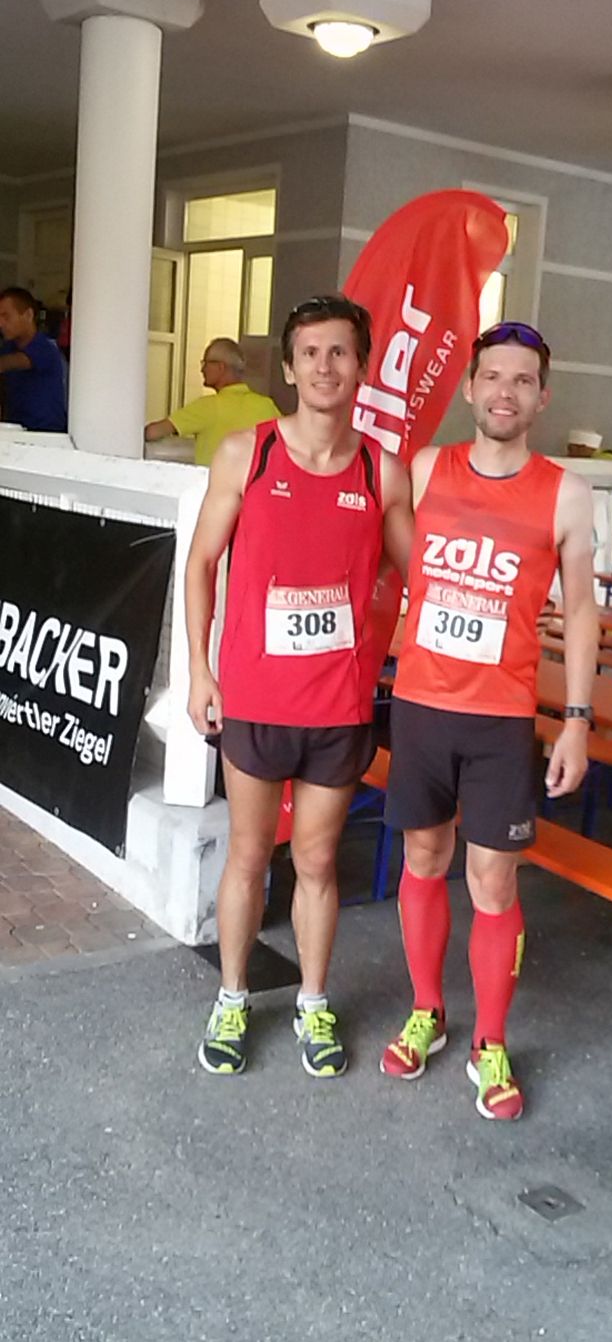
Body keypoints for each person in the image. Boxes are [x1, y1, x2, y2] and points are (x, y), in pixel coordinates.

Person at [185, 295, 413, 1078]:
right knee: (249, 855)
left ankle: (314, 1001)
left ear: (362, 367)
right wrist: (200, 670)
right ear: (288, 367)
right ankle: (233, 997)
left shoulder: (382, 470)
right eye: (310, 353)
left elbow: (421, 574)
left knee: (316, 862)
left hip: (338, 705)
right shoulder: (246, 454)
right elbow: (201, 563)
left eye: (340, 352)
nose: (324, 366)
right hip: (254, 699)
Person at [380, 320, 598, 1121]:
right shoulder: (427, 469)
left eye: (522, 380)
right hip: (421, 706)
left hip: (501, 717)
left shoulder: (566, 492)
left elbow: (582, 610)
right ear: (470, 388)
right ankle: (428, 1011)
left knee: (493, 879)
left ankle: (491, 1042)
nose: (506, 392)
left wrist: (577, 719)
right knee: (423, 856)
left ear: (542, 398)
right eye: (493, 377)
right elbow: (389, 555)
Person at [144, 337, 281, 466]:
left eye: (206, 363)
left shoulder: (208, 406)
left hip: (214, 482)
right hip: (255, 483)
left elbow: (152, 432)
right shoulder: (266, 406)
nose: (202, 369)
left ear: (221, 367)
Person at [0, 286, 67, 432]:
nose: (1, 323)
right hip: (16, 430)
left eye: (6, 316)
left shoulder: (45, 347)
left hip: (46, 433)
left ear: (28, 315)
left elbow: (14, 362)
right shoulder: (8, 348)